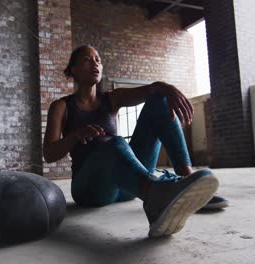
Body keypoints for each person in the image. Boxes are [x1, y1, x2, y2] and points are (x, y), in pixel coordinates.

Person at [43, 45, 228, 238]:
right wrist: (75, 135)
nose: (95, 64)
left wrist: (166, 87)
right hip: (91, 190)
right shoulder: (61, 107)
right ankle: (155, 198)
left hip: (126, 187)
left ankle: (187, 181)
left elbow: (152, 90)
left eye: (98, 60)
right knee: (115, 143)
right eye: (87, 60)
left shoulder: (111, 99)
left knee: (159, 100)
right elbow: (49, 154)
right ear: (73, 69)